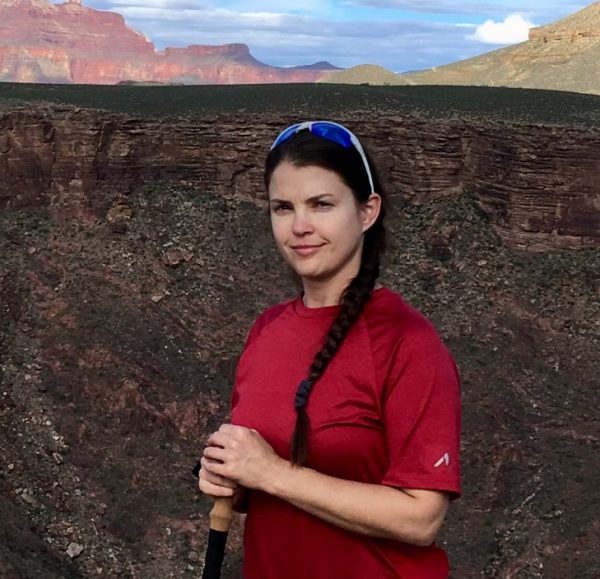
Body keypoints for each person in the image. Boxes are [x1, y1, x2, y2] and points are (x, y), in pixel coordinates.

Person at [198, 120, 461, 578]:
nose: (300, 226)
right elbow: (265, 481)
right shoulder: (267, 330)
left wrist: (270, 473)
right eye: (283, 208)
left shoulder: (407, 342)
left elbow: (421, 518)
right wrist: (234, 481)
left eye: (321, 204)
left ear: (367, 211)